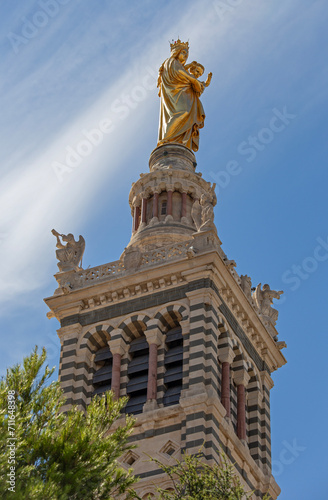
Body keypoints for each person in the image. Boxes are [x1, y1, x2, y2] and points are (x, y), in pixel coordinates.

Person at [157, 39, 212, 152]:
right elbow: (178, 71)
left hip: (184, 95)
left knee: (186, 116)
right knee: (183, 112)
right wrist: (193, 80)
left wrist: (201, 82)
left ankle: (175, 140)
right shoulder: (171, 61)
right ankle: (166, 139)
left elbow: (183, 72)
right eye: (183, 52)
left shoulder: (181, 68)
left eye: (187, 54)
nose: (185, 56)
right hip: (175, 95)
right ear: (176, 52)